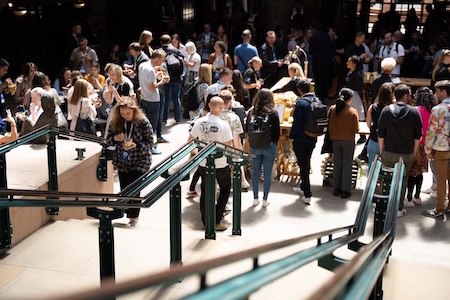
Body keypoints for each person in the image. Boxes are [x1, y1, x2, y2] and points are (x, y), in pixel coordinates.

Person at [107, 96, 153, 227]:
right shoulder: (116, 122)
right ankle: (125, 210)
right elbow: (108, 139)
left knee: (135, 187)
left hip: (140, 159)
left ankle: (134, 217)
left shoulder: (143, 122)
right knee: (125, 187)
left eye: (128, 113)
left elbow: (150, 142)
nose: (125, 115)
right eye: (122, 113)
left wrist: (137, 145)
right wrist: (115, 138)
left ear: (134, 111)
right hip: (123, 161)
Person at [187, 96, 233, 231]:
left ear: (209, 105)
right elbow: (229, 146)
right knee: (225, 189)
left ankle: (206, 220)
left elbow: (190, 140)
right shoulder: (224, 125)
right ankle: (217, 218)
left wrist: (196, 153)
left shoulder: (199, 122)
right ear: (222, 107)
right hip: (220, 163)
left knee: (206, 190)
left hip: (203, 163)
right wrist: (231, 161)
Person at [378, 84, 422, 217]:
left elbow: (381, 134)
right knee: (402, 181)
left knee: (386, 180)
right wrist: (414, 153)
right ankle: (398, 208)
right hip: (406, 154)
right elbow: (417, 136)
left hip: (389, 152)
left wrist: (382, 151)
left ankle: (383, 206)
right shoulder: (414, 112)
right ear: (406, 95)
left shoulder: (386, 110)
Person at [245, 88, 280, 207]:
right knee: (267, 174)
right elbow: (277, 132)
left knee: (255, 173)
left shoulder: (251, 112)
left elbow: (246, 130)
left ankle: (255, 198)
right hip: (269, 146)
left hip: (254, 146)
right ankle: (265, 199)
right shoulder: (273, 113)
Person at [422, 80, 450, 218]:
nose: (435, 94)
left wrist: (427, 151)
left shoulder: (438, 109)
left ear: (444, 92)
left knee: (441, 179)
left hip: (441, 148)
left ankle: (439, 209)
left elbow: (431, 132)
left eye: (437, 91)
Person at [290, 79, 320, 204]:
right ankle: (303, 187)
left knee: (303, 165)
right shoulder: (318, 100)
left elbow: (297, 122)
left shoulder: (301, 103)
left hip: (300, 139)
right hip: (312, 137)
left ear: (299, 90)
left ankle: (307, 194)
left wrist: (291, 136)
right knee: (306, 162)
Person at [405, 87, 434, 207]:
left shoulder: (414, 110)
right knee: (420, 172)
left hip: (414, 144)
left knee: (412, 172)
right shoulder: (433, 110)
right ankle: (417, 196)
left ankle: (409, 197)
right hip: (426, 146)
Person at [328, 88, 359, 198]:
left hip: (335, 140)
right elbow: (356, 129)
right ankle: (345, 190)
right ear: (350, 99)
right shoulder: (352, 112)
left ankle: (336, 188)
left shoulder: (332, 109)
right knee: (347, 165)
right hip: (348, 141)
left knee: (337, 164)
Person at [138, 49, 170, 155]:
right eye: (161, 60)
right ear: (156, 58)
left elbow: (147, 81)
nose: (162, 62)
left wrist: (155, 76)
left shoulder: (142, 65)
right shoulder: (151, 70)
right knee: (152, 124)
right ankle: (151, 146)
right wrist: (162, 81)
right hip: (153, 99)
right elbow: (152, 87)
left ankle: (148, 144)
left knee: (146, 123)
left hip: (144, 97)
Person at [366, 82, 395, 172]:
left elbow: (368, 123)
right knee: (387, 171)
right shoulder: (393, 109)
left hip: (373, 141)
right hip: (388, 143)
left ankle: (371, 186)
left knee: (372, 169)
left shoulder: (372, 107)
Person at [309, 22, 334, 101]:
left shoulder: (313, 37)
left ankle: (319, 96)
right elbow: (332, 48)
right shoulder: (328, 36)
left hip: (317, 62)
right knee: (326, 79)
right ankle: (324, 95)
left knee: (318, 80)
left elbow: (311, 51)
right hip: (327, 62)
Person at [344, 55, 365, 144]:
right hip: (349, 96)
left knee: (359, 116)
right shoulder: (350, 72)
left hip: (355, 96)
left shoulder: (356, 75)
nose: (347, 63)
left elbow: (359, 88)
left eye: (350, 62)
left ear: (354, 64)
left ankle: (362, 135)